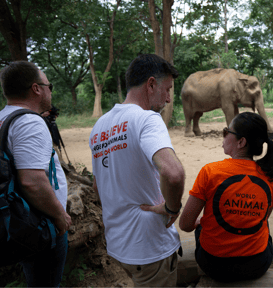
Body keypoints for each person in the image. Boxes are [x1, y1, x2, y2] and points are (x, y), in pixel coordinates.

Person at [89, 54, 185, 287]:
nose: (169, 99)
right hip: (150, 247)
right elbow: (173, 173)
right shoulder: (147, 120)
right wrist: (172, 207)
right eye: (167, 89)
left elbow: (97, 187)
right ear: (151, 84)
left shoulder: (99, 127)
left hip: (119, 247)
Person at [0, 61, 72, 287]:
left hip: (17, 219)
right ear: (36, 88)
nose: (50, 90)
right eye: (48, 85)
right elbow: (32, 181)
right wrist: (58, 216)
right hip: (38, 223)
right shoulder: (29, 121)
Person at [179, 112, 273, 283]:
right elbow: (262, 219)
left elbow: (185, 225)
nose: (224, 135)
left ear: (241, 142)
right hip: (257, 265)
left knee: (202, 225)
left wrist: (200, 222)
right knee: (263, 222)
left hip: (213, 265)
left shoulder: (210, 172)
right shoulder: (270, 177)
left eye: (227, 131)